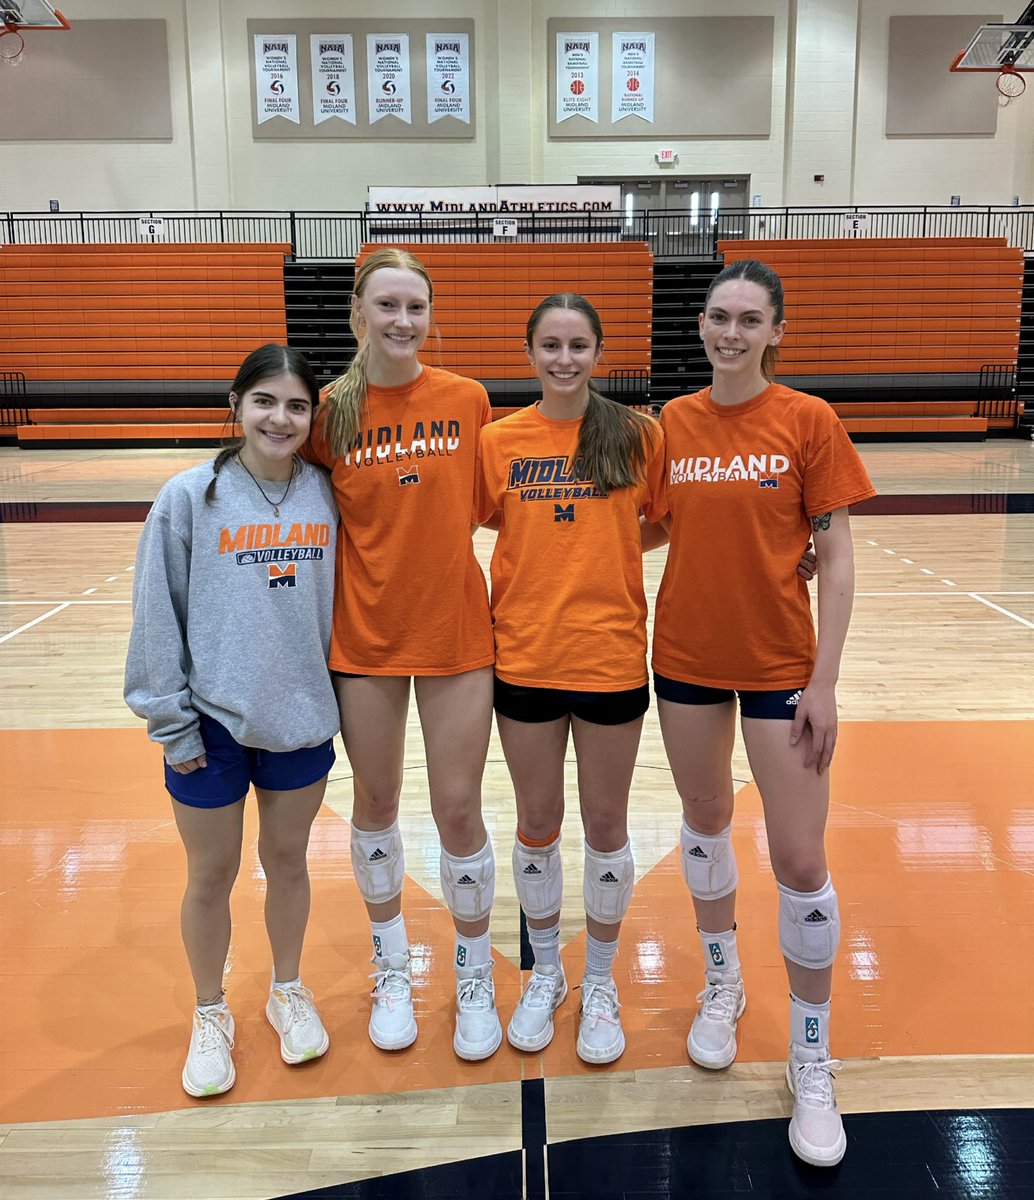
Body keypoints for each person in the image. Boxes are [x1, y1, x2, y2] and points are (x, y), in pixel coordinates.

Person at [650, 258, 876, 1166]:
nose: (730, 332)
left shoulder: (807, 421)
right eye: (717, 317)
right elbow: (658, 523)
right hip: (687, 658)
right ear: (701, 327)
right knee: (704, 825)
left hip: (783, 663)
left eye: (749, 319)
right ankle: (722, 987)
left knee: (799, 856)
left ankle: (812, 1060)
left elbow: (840, 554)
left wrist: (824, 681)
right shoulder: (673, 422)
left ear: (775, 330)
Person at [124, 344, 340, 1097]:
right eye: (265, 402)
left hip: (302, 719)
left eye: (297, 405)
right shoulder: (189, 498)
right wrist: (171, 723)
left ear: (314, 417)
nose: (281, 418)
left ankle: (286, 989)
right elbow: (157, 617)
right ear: (236, 406)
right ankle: (210, 1011)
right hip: (209, 726)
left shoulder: (329, 495)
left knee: (288, 863)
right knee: (211, 874)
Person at [304, 248, 501, 1061]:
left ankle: (474, 972)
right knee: (376, 806)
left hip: (457, 631)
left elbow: (505, 503)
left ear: (431, 316)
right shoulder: (327, 413)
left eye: (414, 306)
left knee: (458, 810)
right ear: (358, 314)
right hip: (366, 638)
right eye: (386, 305)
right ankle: (392, 970)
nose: (401, 321)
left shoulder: (467, 399)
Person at [475, 293, 665, 1064]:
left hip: (611, 655)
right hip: (523, 655)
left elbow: (668, 519)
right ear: (530, 353)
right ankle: (546, 970)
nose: (564, 359)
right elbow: (491, 520)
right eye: (550, 345)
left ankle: (601, 980)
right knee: (538, 821)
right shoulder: (498, 441)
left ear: (598, 351)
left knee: (608, 825)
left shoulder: (635, 434)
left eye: (578, 345)